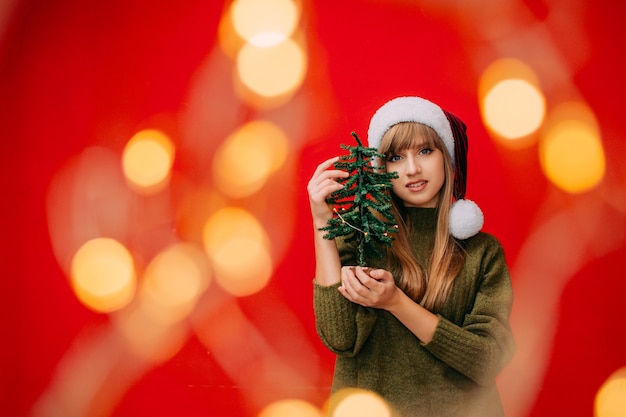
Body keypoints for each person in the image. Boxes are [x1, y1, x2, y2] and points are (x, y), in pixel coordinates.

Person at [307, 96, 515, 417]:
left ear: (447, 157)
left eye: (425, 151)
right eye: (395, 157)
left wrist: (395, 302)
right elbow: (340, 338)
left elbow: (487, 361)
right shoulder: (362, 239)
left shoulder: (482, 252)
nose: (412, 169)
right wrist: (323, 221)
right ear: (381, 168)